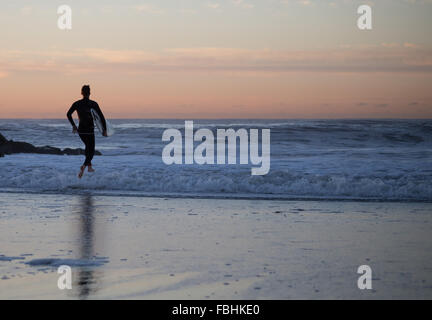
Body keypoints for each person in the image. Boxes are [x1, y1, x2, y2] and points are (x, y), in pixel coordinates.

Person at [67, 85, 107, 178]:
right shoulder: (93, 104)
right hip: (90, 131)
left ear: (81, 93)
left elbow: (68, 114)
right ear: (90, 93)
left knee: (87, 148)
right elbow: (101, 117)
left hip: (81, 131)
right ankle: (84, 166)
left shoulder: (77, 103)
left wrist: (73, 126)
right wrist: (104, 129)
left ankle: (89, 166)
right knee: (91, 150)